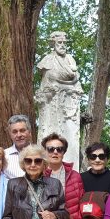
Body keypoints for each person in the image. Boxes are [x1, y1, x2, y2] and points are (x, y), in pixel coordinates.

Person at [35, 31, 84, 170]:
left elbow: (74, 78)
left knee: (70, 139)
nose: (62, 45)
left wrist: (65, 81)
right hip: (52, 108)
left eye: (64, 43)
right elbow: (49, 79)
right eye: (59, 43)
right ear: (53, 44)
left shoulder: (70, 59)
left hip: (69, 105)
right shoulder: (48, 60)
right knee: (50, 135)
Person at [4, 114, 33, 179]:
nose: (19, 135)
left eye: (22, 130)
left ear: (29, 132)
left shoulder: (40, 153)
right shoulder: (3, 155)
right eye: (14, 132)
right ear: (10, 135)